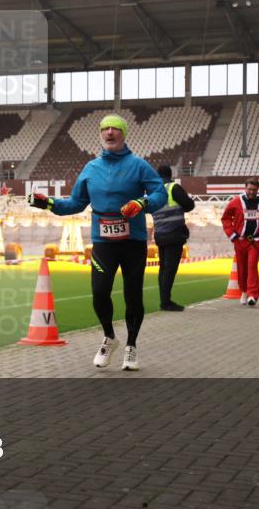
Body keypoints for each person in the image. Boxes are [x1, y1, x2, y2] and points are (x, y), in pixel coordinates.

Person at [28, 115, 166, 371]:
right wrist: (48, 203)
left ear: (123, 134)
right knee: (100, 291)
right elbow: (75, 203)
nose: (110, 132)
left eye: (115, 128)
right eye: (105, 128)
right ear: (101, 134)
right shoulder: (91, 168)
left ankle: (131, 346)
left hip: (133, 241)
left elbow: (161, 193)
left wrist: (142, 203)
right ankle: (109, 337)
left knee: (133, 294)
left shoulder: (138, 165)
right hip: (103, 242)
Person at [220, 179, 259, 306]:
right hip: (240, 240)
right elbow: (225, 218)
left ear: (258, 189)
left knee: (252, 265)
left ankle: (252, 295)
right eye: (249, 189)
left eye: (254, 190)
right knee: (242, 267)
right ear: (245, 188)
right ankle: (244, 291)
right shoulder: (236, 202)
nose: (251, 192)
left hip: (256, 240)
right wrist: (232, 234)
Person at [151, 164, 195, 311]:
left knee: (163, 269)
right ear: (170, 175)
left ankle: (164, 300)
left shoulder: (153, 191)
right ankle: (165, 302)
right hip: (174, 234)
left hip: (160, 235)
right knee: (170, 269)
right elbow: (189, 205)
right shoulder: (173, 188)